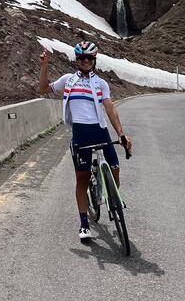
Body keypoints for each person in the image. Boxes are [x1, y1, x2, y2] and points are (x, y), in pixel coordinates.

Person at [39, 41, 132, 241]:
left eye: (89, 58)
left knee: (115, 168)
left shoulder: (101, 83)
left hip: (101, 130)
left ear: (94, 60)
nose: (86, 61)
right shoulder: (68, 80)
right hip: (80, 132)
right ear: (77, 60)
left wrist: (121, 134)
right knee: (81, 180)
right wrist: (45, 65)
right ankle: (84, 224)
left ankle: (113, 197)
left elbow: (110, 108)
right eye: (82, 58)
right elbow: (44, 89)